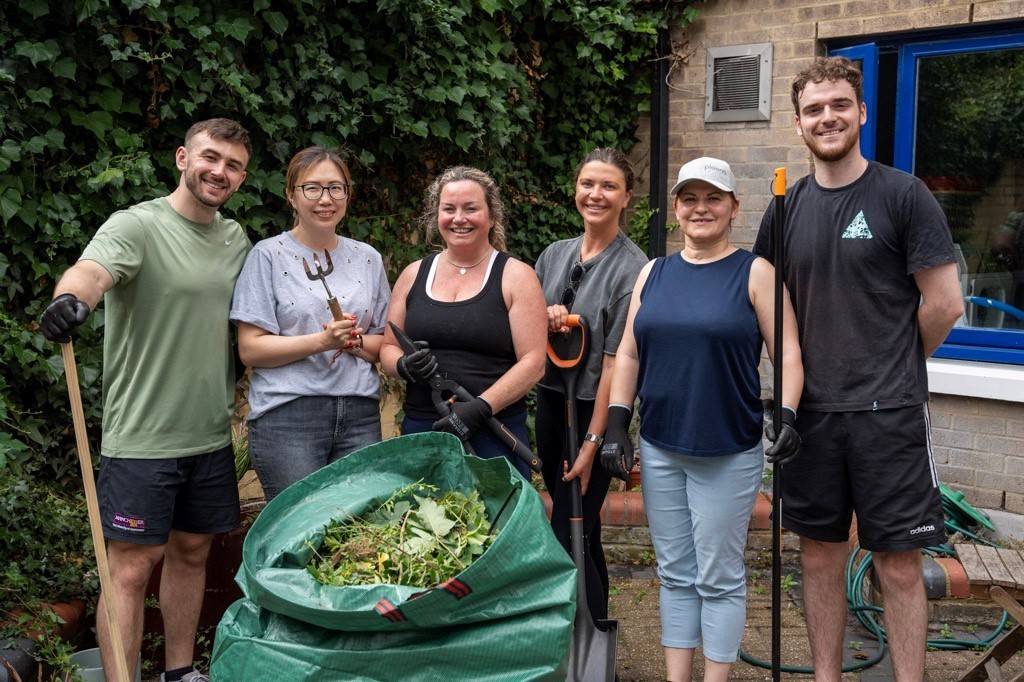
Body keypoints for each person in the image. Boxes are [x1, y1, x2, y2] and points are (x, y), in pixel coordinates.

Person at [752, 56, 964, 681]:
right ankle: (826, 677)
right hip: (811, 417)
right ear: (798, 123)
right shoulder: (784, 208)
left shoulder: (903, 195)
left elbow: (945, 303)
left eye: (839, 105)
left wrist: (894, 361)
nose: (828, 118)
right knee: (818, 557)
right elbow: (767, 299)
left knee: (897, 563)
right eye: (814, 109)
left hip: (889, 416)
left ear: (862, 112)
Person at [38, 118, 253, 682]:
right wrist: (70, 301)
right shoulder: (137, 225)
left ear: (242, 177)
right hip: (143, 436)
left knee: (191, 556)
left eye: (233, 165)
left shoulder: (236, 241)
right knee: (129, 573)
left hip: (208, 433)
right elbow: (90, 271)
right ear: (183, 158)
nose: (219, 171)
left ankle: (180, 673)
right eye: (210, 157)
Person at [602, 157, 803, 681]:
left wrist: (786, 414)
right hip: (661, 445)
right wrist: (618, 423)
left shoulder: (756, 272)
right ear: (675, 209)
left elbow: (788, 354)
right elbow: (628, 353)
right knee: (674, 574)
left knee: (718, 577)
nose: (701, 208)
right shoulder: (654, 271)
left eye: (713, 198)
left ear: (734, 207)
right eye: (689, 198)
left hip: (727, 449)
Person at [230, 147, 390, 501]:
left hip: (359, 414)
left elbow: (383, 345)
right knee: (299, 531)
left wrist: (353, 342)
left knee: (358, 533)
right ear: (291, 195)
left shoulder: (367, 258)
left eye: (336, 188)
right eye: (312, 188)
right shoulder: (268, 256)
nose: (326, 199)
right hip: (289, 416)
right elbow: (250, 349)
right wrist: (322, 341)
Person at [533, 147, 648, 623]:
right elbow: (525, 333)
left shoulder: (633, 269)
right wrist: (547, 320)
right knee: (583, 526)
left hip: (593, 412)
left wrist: (593, 442)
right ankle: (596, 627)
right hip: (551, 402)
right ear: (575, 189)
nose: (595, 194)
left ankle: (578, 634)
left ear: (626, 197)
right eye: (588, 184)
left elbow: (617, 361)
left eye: (608, 186)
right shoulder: (552, 255)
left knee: (568, 527)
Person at [380, 166, 547, 477]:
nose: (459, 218)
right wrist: (403, 365)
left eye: (471, 208)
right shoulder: (414, 274)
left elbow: (534, 362)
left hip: (494, 431)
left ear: (491, 215)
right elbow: (389, 347)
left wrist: (480, 407)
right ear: (437, 216)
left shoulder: (515, 276)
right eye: (449, 209)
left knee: (494, 522)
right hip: (423, 429)